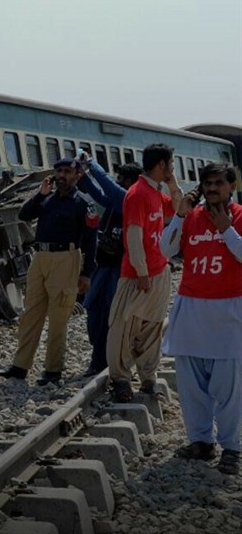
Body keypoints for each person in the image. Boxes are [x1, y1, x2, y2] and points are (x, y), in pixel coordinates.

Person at [160, 162, 242, 475]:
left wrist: (226, 230)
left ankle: (231, 447)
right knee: (192, 386)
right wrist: (179, 215)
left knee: (228, 388)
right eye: (207, 183)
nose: (211, 189)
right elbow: (165, 249)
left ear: (231, 187)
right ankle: (201, 442)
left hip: (229, 315)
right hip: (192, 311)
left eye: (218, 183)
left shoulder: (240, 217)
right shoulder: (191, 218)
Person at [0, 158, 98, 385]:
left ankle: (53, 370)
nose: (62, 175)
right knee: (31, 313)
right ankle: (20, 367)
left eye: (68, 172)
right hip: (40, 258)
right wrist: (41, 194)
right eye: (59, 171)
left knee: (58, 317)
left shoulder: (83, 203)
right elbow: (24, 215)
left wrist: (86, 273)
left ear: (77, 176)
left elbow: (91, 242)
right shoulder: (47, 199)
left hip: (66, 258)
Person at [106, 144, 183, 402]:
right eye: (171, 164)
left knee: (152, 327)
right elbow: (134, 235)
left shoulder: (155, 192)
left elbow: (179, 206)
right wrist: (141, 271)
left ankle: (148, 379)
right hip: (138, 274)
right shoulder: (138, 194)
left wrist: (172, 184)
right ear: (161, 164)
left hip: (158, 270)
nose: (172, 168)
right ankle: (120, 380)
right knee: (124, 326)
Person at [77, 158, 143, 377]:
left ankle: (103, 361)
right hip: (103, 265)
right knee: (95, 310)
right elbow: (100, 196)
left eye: (123, 179)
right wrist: (83, 176)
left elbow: (108, 192)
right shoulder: (117, 202)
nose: (119, 182)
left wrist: (92, 166)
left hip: (118, 268)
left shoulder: (131, 200)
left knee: (110, 313)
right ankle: (101, 357)